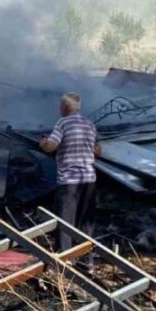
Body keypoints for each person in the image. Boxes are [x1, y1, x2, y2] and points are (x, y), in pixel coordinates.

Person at [39, 92, 101, 252]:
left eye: (60, 106)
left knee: (65, 223)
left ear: (65, 107)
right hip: (89, 180)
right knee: (85, 222)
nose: (59, 109)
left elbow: (51, 147)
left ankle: (65, 260)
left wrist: (43, 143)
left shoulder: (63, 123)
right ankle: (86, 259)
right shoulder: (90, 124)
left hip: (69, 181)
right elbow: (98, 151)